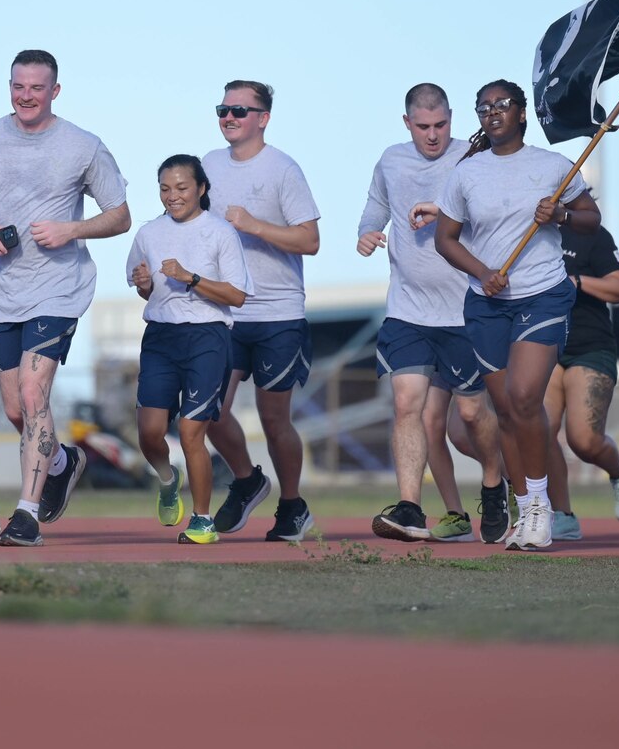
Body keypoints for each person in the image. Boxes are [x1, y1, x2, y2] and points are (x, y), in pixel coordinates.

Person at [0, 50, 131, 548]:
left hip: (58, 289)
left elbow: (119, 215)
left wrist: (73, 228)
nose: (26, 96)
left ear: (55, 91)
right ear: (9, 87)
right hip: (0, 291)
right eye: (18, 87)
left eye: (37, 88)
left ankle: (26, 515)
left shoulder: (83, 146)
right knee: (15, 410)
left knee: (32, 393)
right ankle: (64, 462)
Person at [426, 80, 595, 550]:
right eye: (484, 107)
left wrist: (560, 215)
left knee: (524, 398)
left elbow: (590, 219)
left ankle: (540, 507)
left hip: (542, 294)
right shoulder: (465, 174)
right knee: (504, 410)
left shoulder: (553, 167)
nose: (493, 112)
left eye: (503, 105)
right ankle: (525, 505)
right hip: (486, 303)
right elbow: (446, 239)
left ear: (522, 113)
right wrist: (483, 272)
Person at [358, 84, 507, 542]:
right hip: (408, 309)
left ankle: (494, 483)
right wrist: (366, 233)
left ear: (451, 118)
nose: (432, 135)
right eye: (422, 127)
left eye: (440, 125)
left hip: (464, 310)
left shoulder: (473, 157)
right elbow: (376, 209)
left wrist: (441, 208)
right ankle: (410, 508)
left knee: (469, 414)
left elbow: (494, 213)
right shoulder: (391, 160)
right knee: (410, 407)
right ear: (407, 124)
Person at [201, 80, 321, 542]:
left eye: (239, 110)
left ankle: (292, 506)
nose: (229, 118)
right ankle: (248, 479)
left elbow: (309, 240)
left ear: (263, 118)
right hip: (225, 312)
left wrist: (254, 225)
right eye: (223, 109)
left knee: (274, 419)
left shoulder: (283, 170)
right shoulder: (209, 165)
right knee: (207, 409)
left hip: (278, 314)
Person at [127, 156, 253, 544]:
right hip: (161, 339)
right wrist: (143, 282)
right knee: (149, 433)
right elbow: (145, 289)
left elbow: (237, 295)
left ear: (200, 188)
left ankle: (202, 521)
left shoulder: (219, 233)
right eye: (165, 189)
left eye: (181, 188)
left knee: (190, 431)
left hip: (208, 338)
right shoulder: (149, 233)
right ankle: (168, 479)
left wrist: (191, 278)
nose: (173, 196)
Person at [541, 215, 619, 540]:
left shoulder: (591, 235)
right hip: (542, 345)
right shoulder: (522, 233)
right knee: (538, 429)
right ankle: (562, 514)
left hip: (589, 347)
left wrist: (577, 282)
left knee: (583, 440)